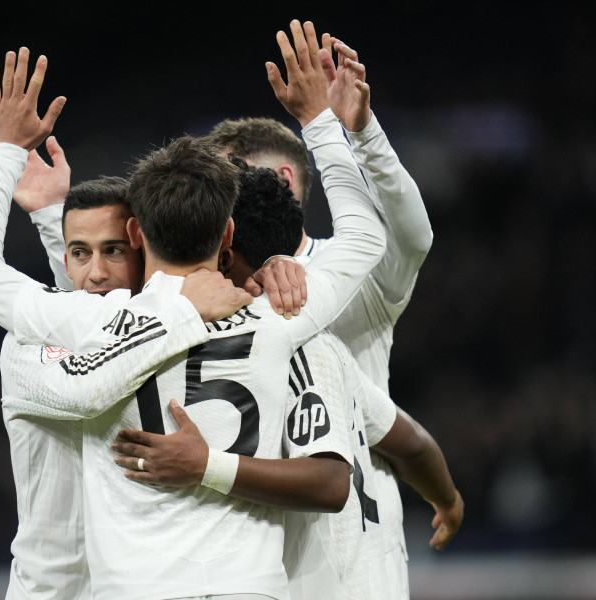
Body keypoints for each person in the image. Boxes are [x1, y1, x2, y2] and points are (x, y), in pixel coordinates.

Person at [0, 46, 386, 599]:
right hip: (249, 588)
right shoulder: (279, 314)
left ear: (135, 235)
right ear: (226, 236)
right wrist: (320, 122)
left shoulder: (94, 322)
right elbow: (367, 236)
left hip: (136, 588)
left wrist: (9, 149)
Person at [209, 20, 434, 598]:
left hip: (354, 543)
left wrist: (358, 130)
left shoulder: (355, 266)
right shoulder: (207, 285)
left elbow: (413, 234)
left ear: (281, 178)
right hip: (247, 544)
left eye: (224, 179)